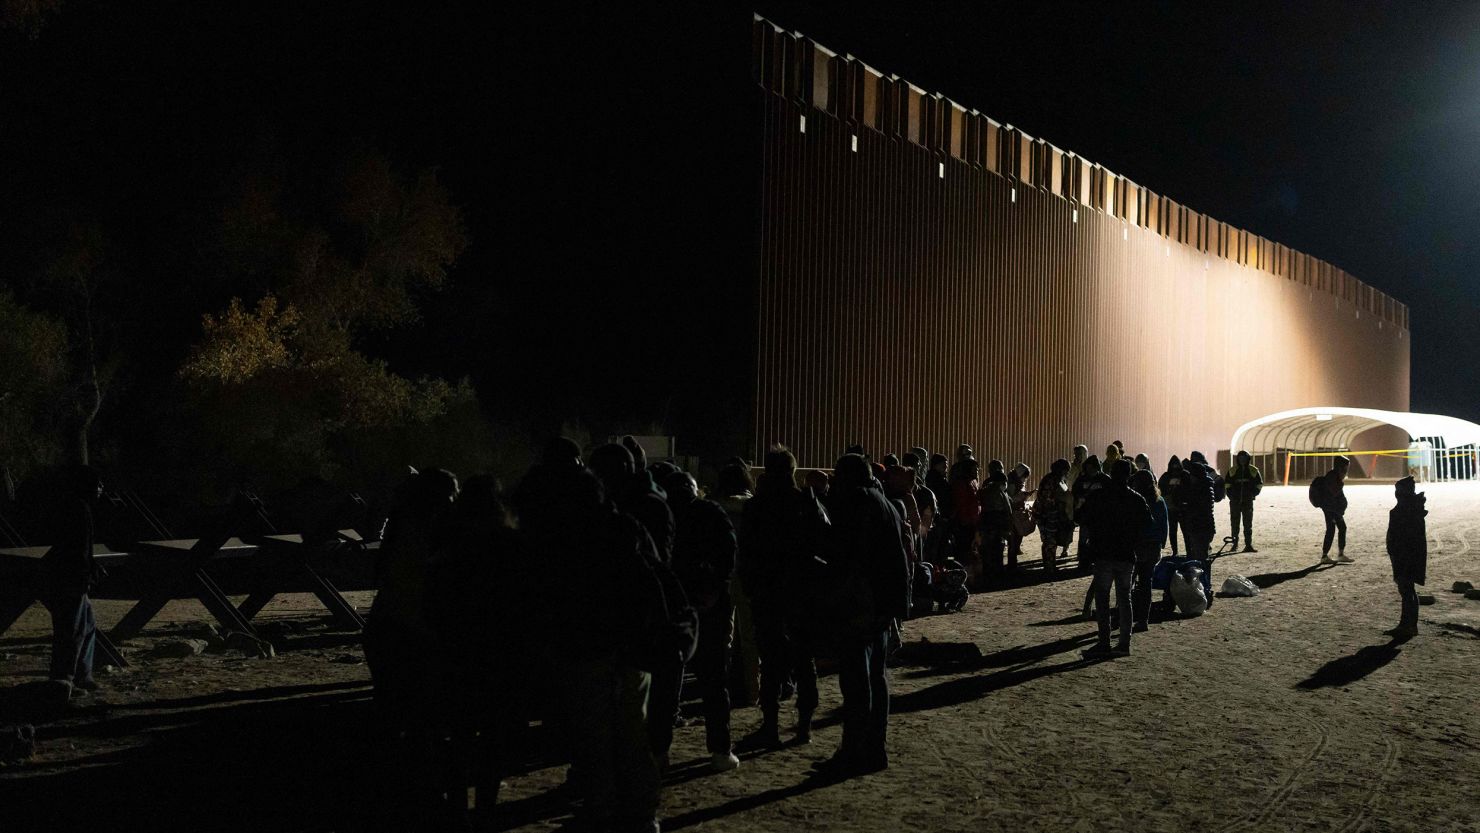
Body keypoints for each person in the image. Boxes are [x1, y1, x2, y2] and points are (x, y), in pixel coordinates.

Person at [521, 465, 666, 833]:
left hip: (586, 649)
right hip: (632, 648)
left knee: (593, 736)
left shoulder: (566, 538)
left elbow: (551, 598)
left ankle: (602, 805)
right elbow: (656, 581)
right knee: (634, 734)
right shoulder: (628, 528)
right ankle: (643, 812)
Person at [815, 454, 909, 778]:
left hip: (861, 603)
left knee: (856, 681)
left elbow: (845, 553)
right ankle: (874, 748)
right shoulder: (884, 503)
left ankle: (853, 751)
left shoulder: (857, 504)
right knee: (876, 678)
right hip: (881, 604)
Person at [740, 445, 828, 747]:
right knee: (804, 661)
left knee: (772, 661)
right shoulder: (805, 503)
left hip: (768, 593)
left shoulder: (757, 507)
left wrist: (752, 587)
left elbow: (747, 554)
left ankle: (771, 725)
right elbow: (825, 542)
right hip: (802, 593)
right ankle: (804, 726)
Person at [665, 471, 741, 771]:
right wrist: (715, 588)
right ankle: (720, 749)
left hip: (675, 605)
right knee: (713, 680)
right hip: (710, 606)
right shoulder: (710, 512)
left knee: (669, 679)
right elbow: (729, 554)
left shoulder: (666, 513)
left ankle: (660, 751)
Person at [38, 465, 105, 702]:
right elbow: (76, 551)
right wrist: (85, 575)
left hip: (69, 577)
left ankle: (79, 674)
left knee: (85, 625)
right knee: (72, 630)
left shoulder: (74, 507)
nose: (101, 489)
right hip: (71, 580)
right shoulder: (79, 510)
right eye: (98, 484)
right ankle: (65, 678)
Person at [1078, 460, 1150, 657]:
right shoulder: (1136, 499)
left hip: (1103, 553)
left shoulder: (1099, 496)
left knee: (1102, 599)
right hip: (1126, 555)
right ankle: (1124, 643)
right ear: (1129, 476)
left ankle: (1104, 641)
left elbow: (1082, 518)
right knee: (1124, 599)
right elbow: (1146, 525)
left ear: (1111, 473)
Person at [714, 462, 761, 707]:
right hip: (749, 574)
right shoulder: (755, 508)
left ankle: (719, 688)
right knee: (751, 638)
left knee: (723, 635)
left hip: (723, 575)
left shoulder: (716, 507)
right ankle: (753, 689)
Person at [1385, 476, 1427, 637]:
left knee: (1406, 589)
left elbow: (1402, 537)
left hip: (1405, 556)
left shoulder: (1405, 511)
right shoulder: (1412, 508)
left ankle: (1408, 625)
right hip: (1409, 555)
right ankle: (1408, 624)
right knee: (1408, 590)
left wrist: (1396, 553)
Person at [1177, 452, 1219, 604]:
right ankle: (1204, 586)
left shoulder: (1199, 489)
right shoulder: (1205, 485)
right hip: (1204, 527)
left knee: (1200, 559)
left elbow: (1196, 508)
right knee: (1202, 558)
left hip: (1200, 527)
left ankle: (1205, 588)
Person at [1128, 469, 1167, 632]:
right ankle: (1143, 620)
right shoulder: (1159, 501)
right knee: (1146, 585)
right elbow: (1164, 525)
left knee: (1127, 584)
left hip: (1137, 546)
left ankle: (1125, 617)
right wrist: (1161, 543)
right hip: (1153, 547)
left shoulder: (1135, 500)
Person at [1034, 460, 1072, 572]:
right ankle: (1049, 566)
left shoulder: (1058, 480)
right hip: (1046, 515)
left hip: (1053, 515)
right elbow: (1047, 499)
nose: (1067, 472)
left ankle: (1050, 564)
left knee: (1052, 541)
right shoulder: (1051, 480)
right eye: (1066, 470)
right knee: (1049, 541)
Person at [976, 468, 1012, 583]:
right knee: (997, 551)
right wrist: (1007, 527)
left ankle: (988, 574)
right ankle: (997, 575)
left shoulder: (985, 491)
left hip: (987, 526)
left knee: (987, 551)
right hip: (997, 525)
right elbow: (1007, 511)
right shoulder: (999, 492)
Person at [1224, 450, 1263, 552]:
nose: (1242, 460)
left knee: (1248, 523)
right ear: (1238, 459)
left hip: (1247, 501)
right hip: (1235, 501)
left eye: (1244, 458)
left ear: (1247, 459)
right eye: (1240, 458)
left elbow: (1259, 484)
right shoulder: (1232, 470)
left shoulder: (1253, 470)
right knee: (1234, 523)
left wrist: (1252, 494)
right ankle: (1234, 544)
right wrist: (1231, 497)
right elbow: (1227, 485)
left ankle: (1248, 545)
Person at [1317, 456, 1353, 564]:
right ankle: (1324, 556)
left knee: (1342, 527)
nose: (1347, 469)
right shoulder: (1333, 477)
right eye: (1346, 467)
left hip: (1333, 508)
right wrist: (1337, 510)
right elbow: (1333, 495)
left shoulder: (1335, 476)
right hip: (1330, 509)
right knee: (1331, 529)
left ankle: (1340, 554)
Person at [1005, 463, 1034, 570]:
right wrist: (1023, 496)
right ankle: (1012, 565)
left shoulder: (1017, 482)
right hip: (1013, 514)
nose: (1025, 479)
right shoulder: (1012, 484)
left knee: (1017, 537)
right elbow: (1011, 499)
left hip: (1018, 513)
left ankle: (1013, 563)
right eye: (1024, 476)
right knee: (1013, 539)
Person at [1157, 456, 1185, 557]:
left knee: (1182, 530)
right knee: (1174, 531)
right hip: (1174, 508)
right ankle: (1175, 551)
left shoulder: (1181, 475)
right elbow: (1160, 489)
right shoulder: (1181, 475)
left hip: (1178, 508)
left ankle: (1181, 551)